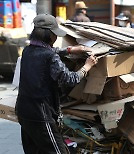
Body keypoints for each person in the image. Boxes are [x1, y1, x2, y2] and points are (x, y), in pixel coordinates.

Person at [15, 14, 97, 154]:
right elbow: (70, 79)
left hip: (23, 111)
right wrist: (87, 66)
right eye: (55, 34)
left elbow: (48, 51)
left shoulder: (28, 51)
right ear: (49, 35)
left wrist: (71, 49)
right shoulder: (49, 56)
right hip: (41, 115)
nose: (57, 37)